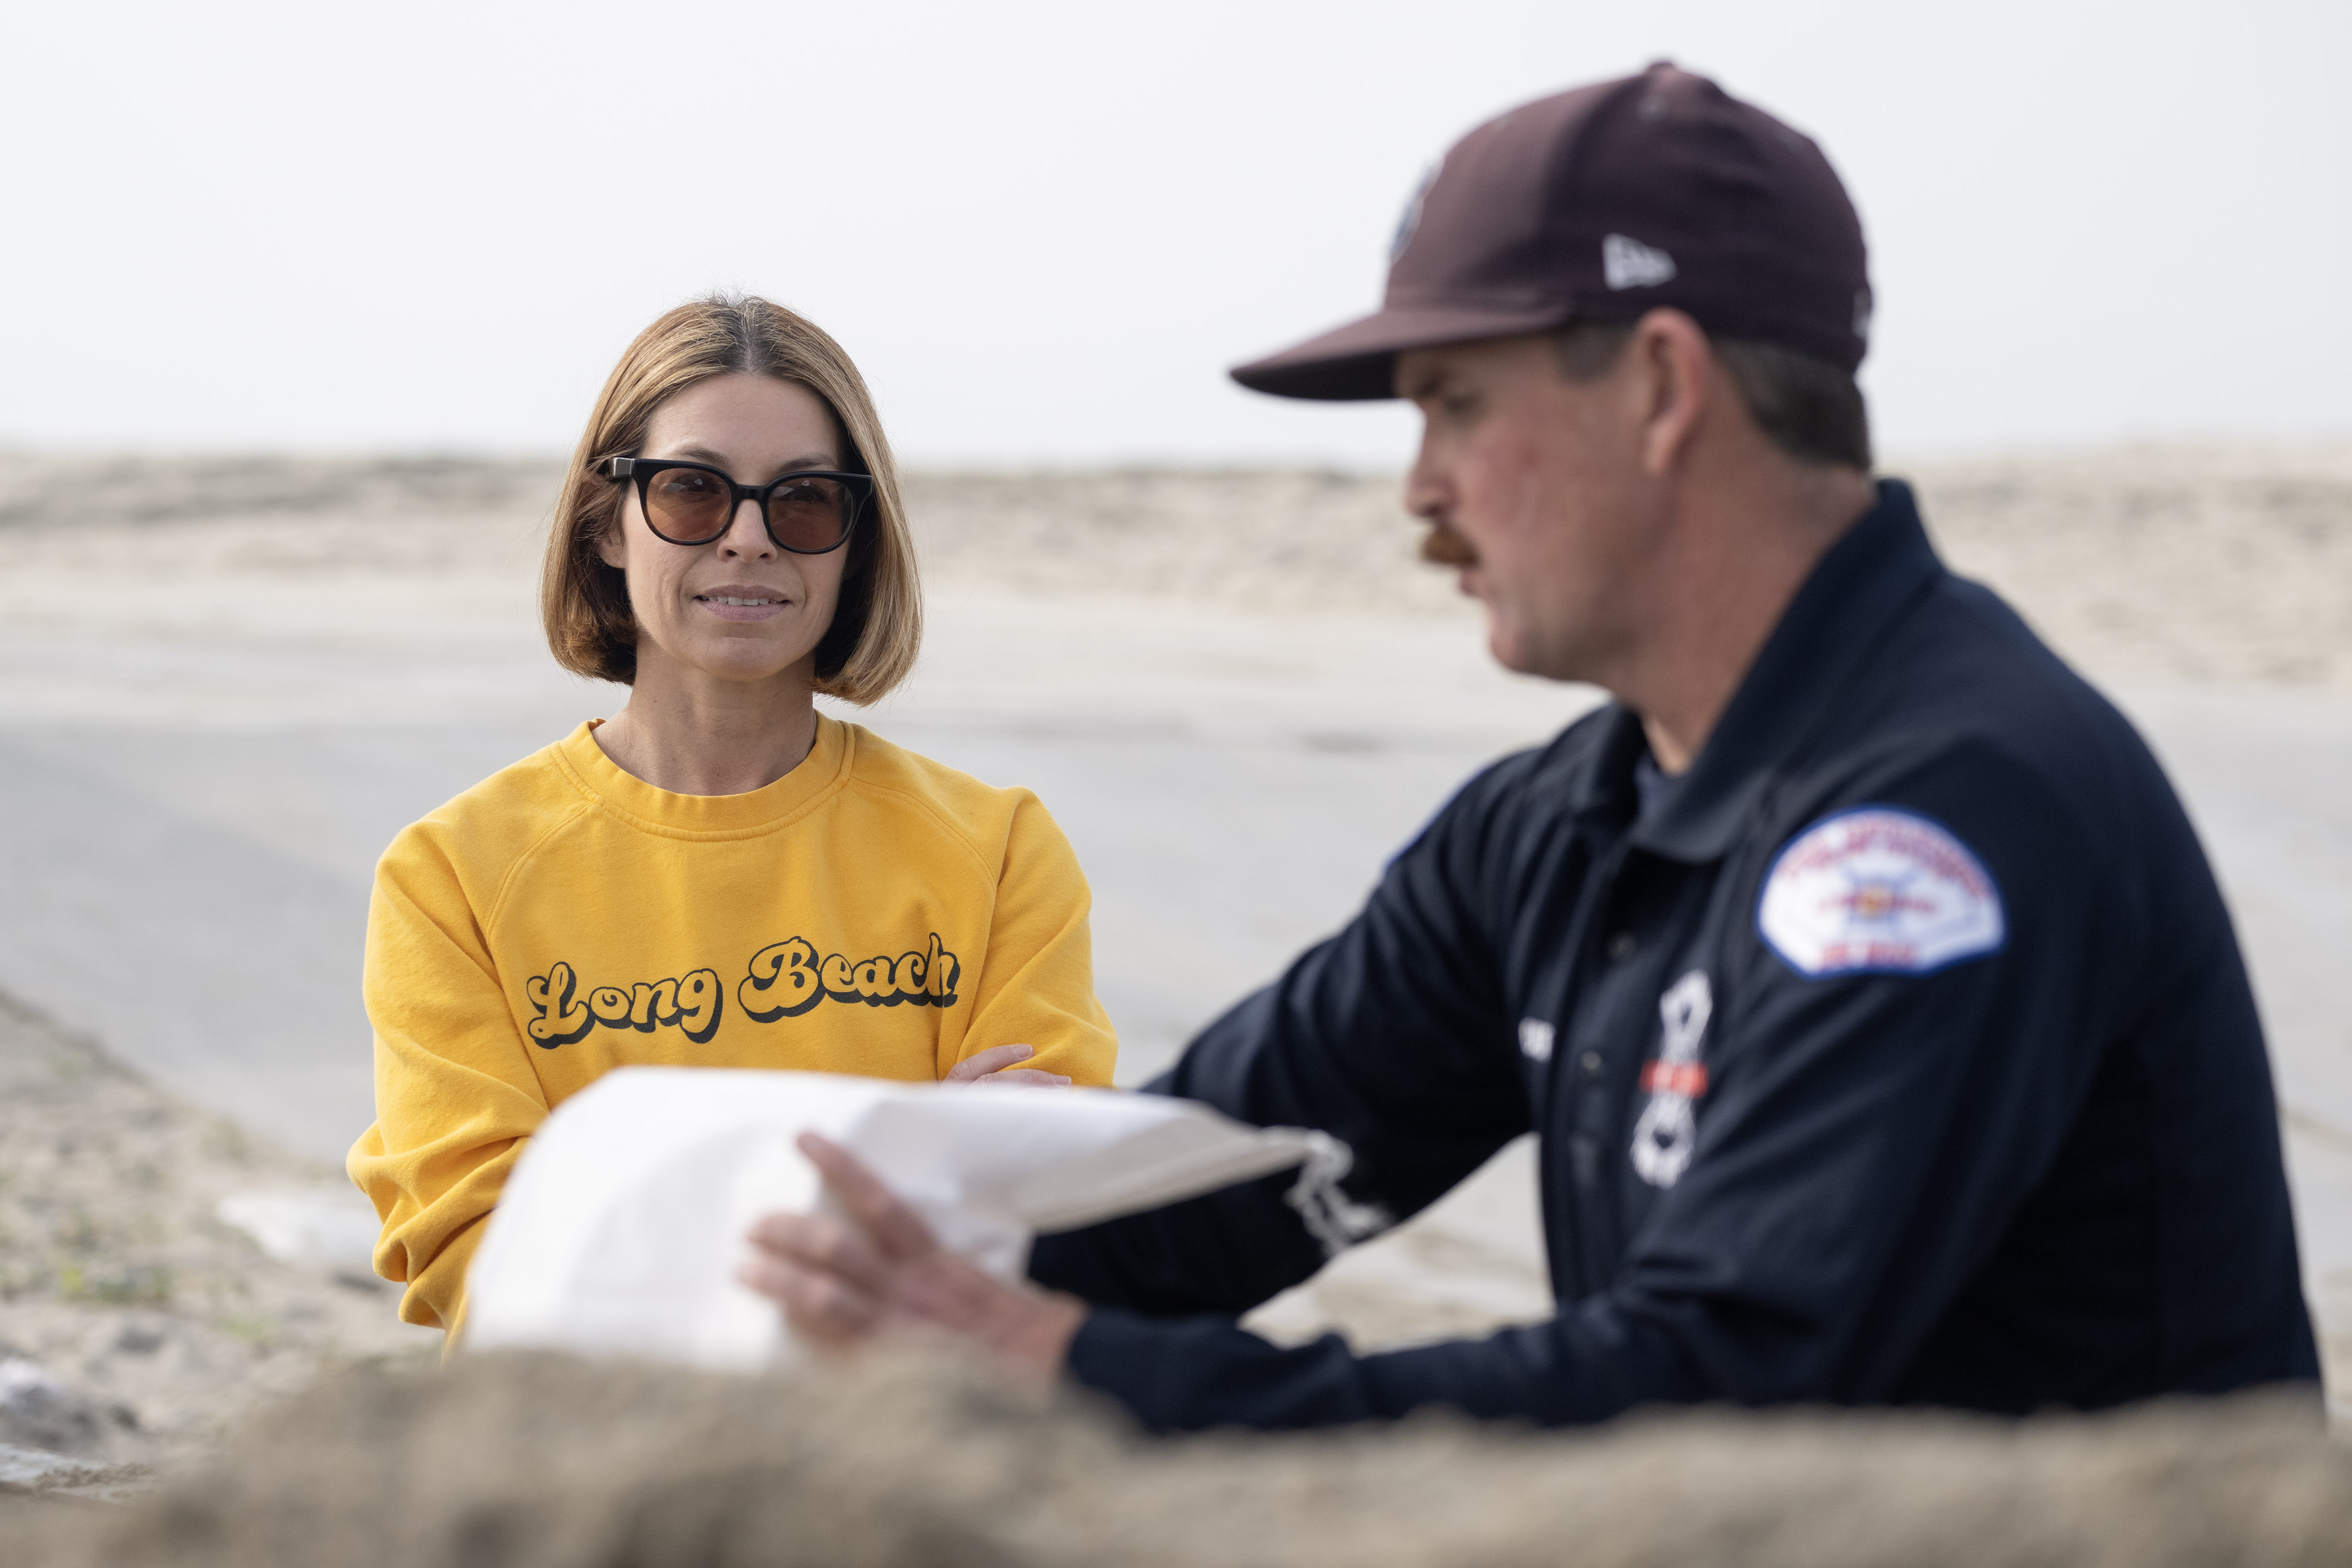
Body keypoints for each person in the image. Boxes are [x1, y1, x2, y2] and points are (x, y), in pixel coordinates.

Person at [739, 65, 2321, 1427]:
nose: (1419, 489)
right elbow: (1215, 1177)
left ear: (1657, 387)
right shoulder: (1561, 829)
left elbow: (1716, 1387)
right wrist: (978, 1212)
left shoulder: (1939, 823)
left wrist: (1074, 1369)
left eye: (1452, 402)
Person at [349, 295, 1118, 1340]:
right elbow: (481, 1253)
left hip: (900, 1450)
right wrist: (885, 1193)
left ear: (857, 538)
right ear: (606, 523)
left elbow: (1029, 1216)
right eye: (694, 492)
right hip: (578, 1455)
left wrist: (625, 1226)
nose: (750, 539)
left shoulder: (996, 852)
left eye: (803, 501)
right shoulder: (452, 877)